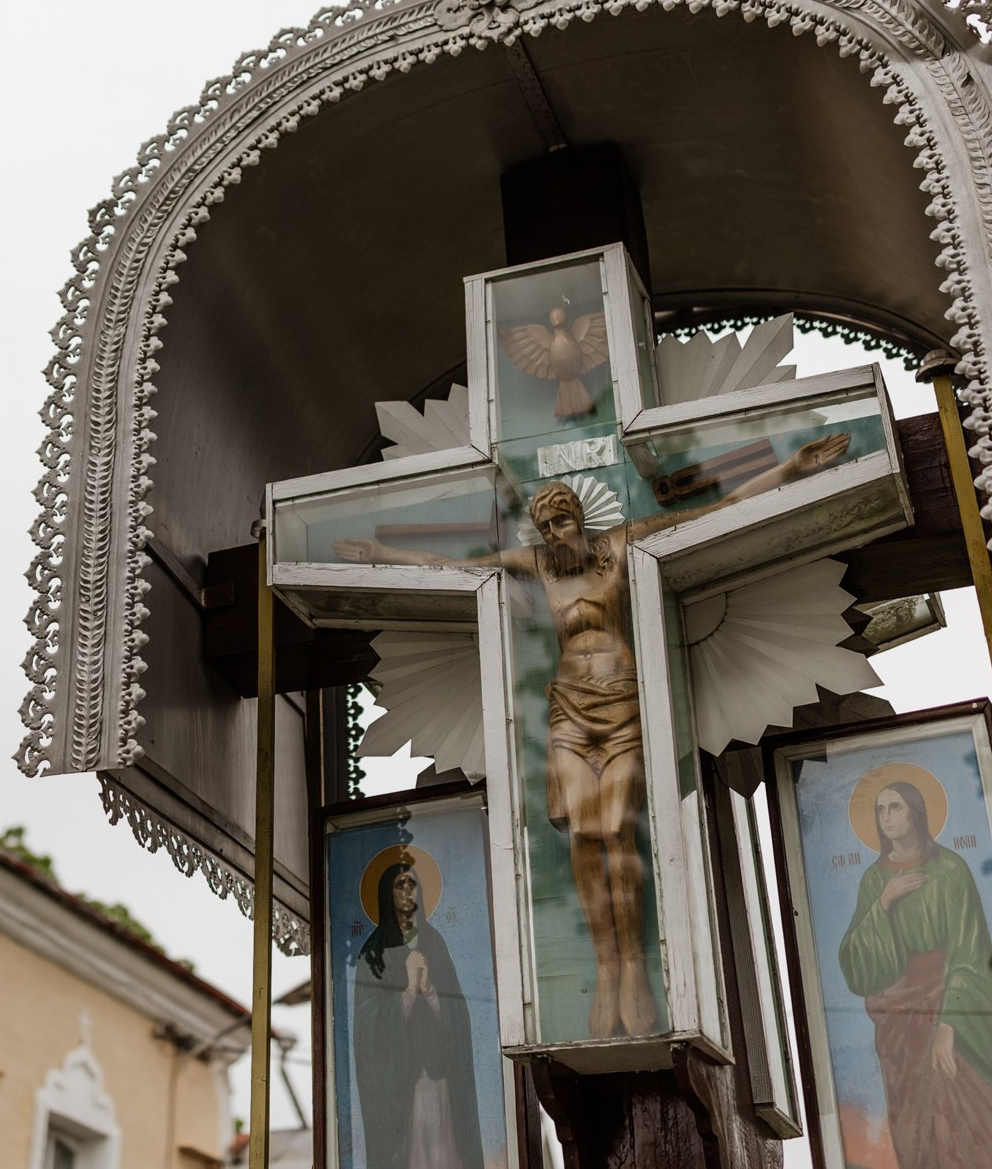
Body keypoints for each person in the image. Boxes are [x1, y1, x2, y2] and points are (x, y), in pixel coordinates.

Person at [334, 433, 850, 1038]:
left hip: (624, 706)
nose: (554, 534)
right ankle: (607, 968)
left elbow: (708, 515)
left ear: (581, 519)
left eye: (561, 521)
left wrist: (789, 469)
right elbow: (461, 569)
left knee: (614, 829)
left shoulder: (622, 546)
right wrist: (380, 551)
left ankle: (633, 963)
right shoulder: (539, 567)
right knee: (583, 832)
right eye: (545, 526)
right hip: (569, 716)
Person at [837, 781, 992, 1168]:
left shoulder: (950, 870)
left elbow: (971, 952)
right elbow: (856, 963)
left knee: (963, 1113)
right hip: (900, 1021)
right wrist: (884, 902)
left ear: (917, 813)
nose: (887, 817)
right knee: (915, 1122)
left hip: (952, 1003)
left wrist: (949, 1026)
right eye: (881, 810)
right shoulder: (874, 880)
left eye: (896, 808)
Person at [354, 856, 483, 1169]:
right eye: (400, 884)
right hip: (400, 1086)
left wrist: (431, 993)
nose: (408, 891)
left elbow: (459, 1012)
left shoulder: (434, 942)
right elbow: (366, 1023)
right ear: (388, 893)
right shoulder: (374, 951)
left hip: (439, 1079)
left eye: (413, 883)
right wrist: (408, 994)